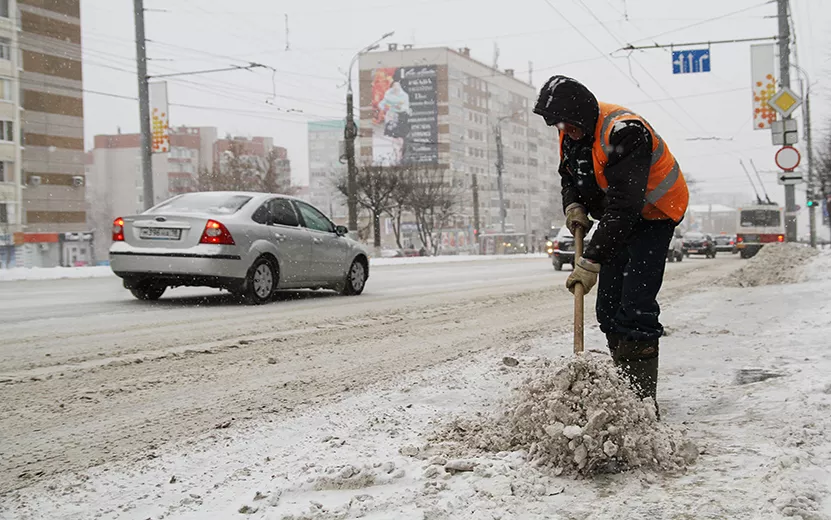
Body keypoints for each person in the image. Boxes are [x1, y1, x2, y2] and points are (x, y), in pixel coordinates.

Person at [532, 76, 689, 412]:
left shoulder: (626, 132)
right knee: (608, 310)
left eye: (568, 124)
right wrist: (573, 204)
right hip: (619, 220)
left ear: (583, 115)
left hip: (656, 214)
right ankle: (624, 388)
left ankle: (641, 403)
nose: (564, 131)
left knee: (636, 308)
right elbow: (569, 175)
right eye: (559, 125)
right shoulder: (573, 133)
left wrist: (589, 262)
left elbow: (624, 207)